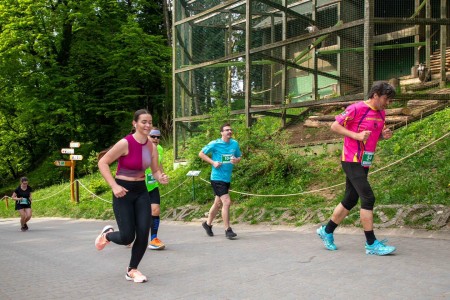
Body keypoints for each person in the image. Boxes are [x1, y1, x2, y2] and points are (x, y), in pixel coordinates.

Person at [317, 81, 397, 256]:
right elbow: (334, 125)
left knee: (351, 199)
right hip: (351, 159)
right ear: (375, 94)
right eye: (386, 99)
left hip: (365, 161)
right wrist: (356, 135)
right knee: (368, 198)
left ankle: (327, 231)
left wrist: (384, 136)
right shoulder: (357, 108)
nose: (388, 103)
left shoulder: (382, 114)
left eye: (390, 101)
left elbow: (372, 137)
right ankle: (371, 243)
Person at [96, 109, 169, 283]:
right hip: (123, 191)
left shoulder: (152, 147)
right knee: (127, 236)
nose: (147, 125)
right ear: (134, 123)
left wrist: (161, 177)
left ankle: (132, 270)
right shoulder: (125, 143)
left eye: (150, 122)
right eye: (144, 121)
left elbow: (155, 170)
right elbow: (103, 162)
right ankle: (107, 235)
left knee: (143, 232)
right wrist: (114, 186)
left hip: (141, 191)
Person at [199, 123, 242, 239]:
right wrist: (213, 162)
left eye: (230, 130)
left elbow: (239, 157)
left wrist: (236, 160)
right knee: (226, 202)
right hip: (217, 178)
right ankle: (228, 229)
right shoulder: (215, 143)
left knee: (217, 203)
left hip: (227, 178)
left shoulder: (234, 144)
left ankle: (207, 225)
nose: (229, 132)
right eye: (227, 130)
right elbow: (201, 153)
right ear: (221, 133)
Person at [145, 128, 165, 250]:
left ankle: (153, 238)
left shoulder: (160, 149)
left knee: (156, 210)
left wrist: (162, 175)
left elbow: (159, 164)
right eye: (153, 136)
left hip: (153, 185)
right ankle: (130, 235)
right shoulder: (140, 149)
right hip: (139, 186)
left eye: (158, 137)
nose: (156, 139)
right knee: (138, 215)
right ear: (147, 136)